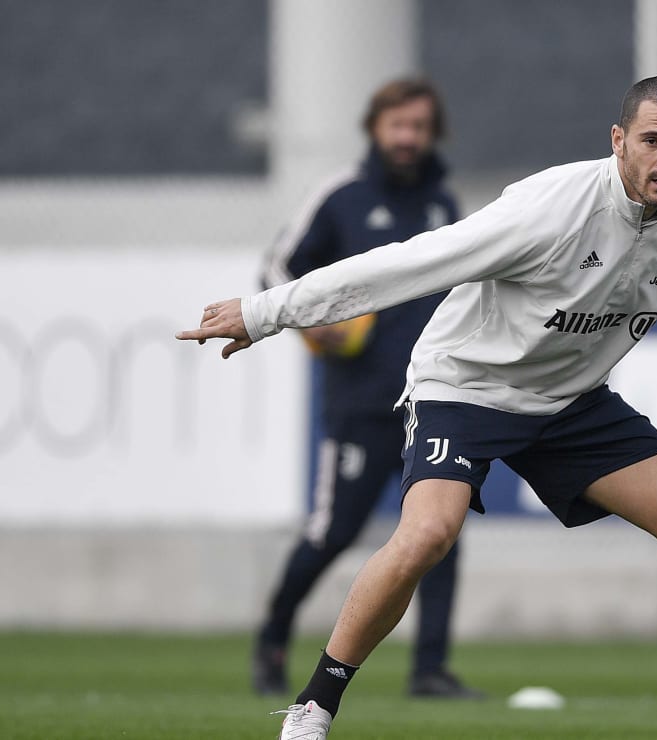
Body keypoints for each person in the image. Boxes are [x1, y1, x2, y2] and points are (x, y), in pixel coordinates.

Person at [178, 75, 657, 740]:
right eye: (652, 140)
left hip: (568, 403)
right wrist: (264, 313)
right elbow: (405, 264)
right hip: (465, 384)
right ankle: (314, 707)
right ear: (619, 141)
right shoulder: (549, 209)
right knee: (427, 535)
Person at [250, 77, 481, 701]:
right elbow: (277, 267)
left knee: (441, 534)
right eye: (397, 125)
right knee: (333, 533)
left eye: (419, 127)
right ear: (375, 128)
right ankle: (272, 640)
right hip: (359, 404)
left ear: (433, 133)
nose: (407, 138)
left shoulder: (442, 202)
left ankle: (429, 670)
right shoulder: (342, 197)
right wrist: (312, 321)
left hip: (432, 401)